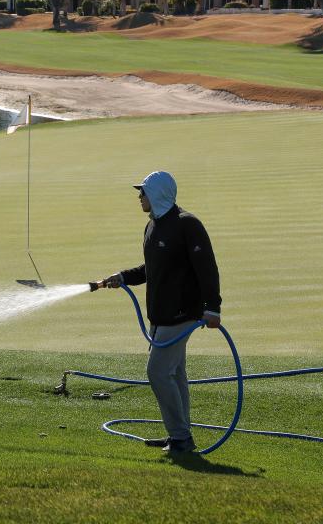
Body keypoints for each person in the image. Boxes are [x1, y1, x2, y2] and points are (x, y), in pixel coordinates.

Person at [97, 171, 221, 455]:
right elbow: (150, 270)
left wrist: (212, 308)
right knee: (175, 374)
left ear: (156, 194)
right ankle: (180, 436)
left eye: (143, 192)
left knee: (157, 372)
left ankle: (180, 437)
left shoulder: (187, 224)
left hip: (182, 315)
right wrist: (122, 277)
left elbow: (207, 268)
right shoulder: (152, 227)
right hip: (161, 316)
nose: (139, 197)